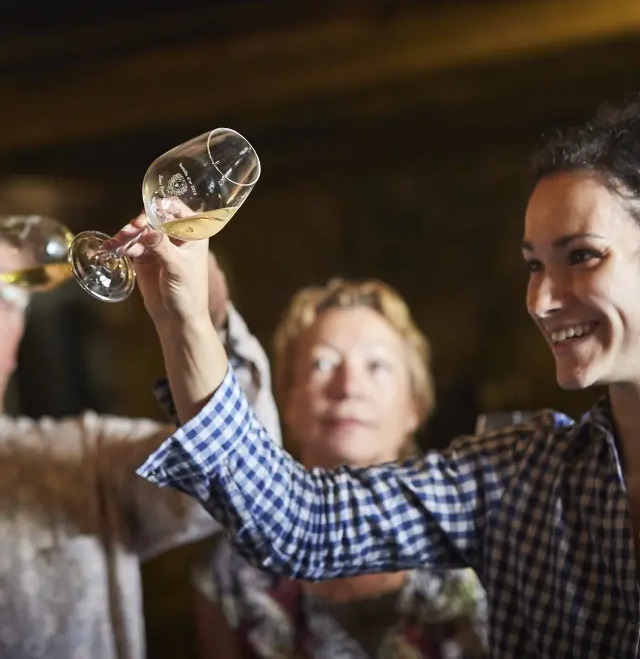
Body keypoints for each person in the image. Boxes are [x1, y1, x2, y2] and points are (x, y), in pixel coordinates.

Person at [128, 92, 640, 659]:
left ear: (416, 403)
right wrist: (183, 319)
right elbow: (303, 524)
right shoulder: (523, 475)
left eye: (582, 256)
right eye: (534, 265)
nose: (541, 300)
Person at [0, 240, 281, 659]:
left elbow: (246, 478)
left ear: (15, 334)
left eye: (1, 299)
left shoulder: (85, 461)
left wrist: (203, 319)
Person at [191, 279, 487, 659]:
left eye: (377, 365)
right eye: (323, 363)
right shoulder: (230, 576)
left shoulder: (477, 549)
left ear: (415, 404)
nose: (349, 387)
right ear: (290, 403)